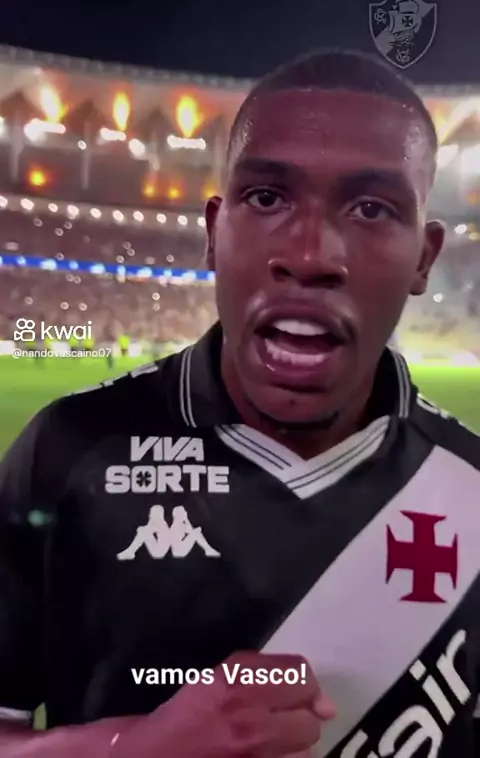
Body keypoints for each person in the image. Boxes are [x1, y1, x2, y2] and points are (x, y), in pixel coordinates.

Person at [0, 49, 478, 758]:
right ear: (212, 233)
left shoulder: (471, 488)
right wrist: (129, 748)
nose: (311, 256)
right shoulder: (67, 451)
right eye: (266, 198)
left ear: (424, 258)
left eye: (372, 209)